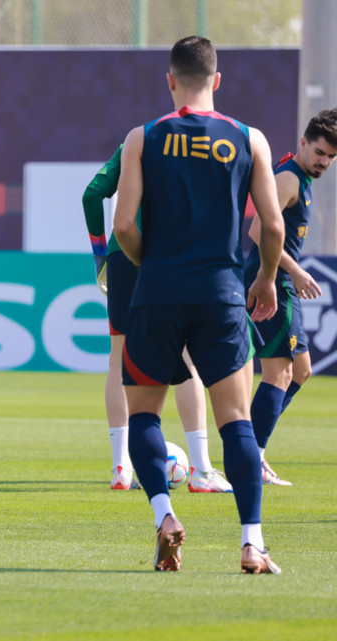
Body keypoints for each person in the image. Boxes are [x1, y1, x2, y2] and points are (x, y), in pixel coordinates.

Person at [113, 36, 286, 573]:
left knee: (144, 412)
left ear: (170, 81)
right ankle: (252, 544)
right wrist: (265, 279)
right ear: (217, 79)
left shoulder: (143, 137)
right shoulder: (248, 138)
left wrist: (152, 267)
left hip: (158, 293)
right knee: (235, 419)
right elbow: (272, 224)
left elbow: (121, 225)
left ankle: (165, 516)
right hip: (222, 295)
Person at [83, 147, 232, 493]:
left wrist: (100, 254)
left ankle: (121, 468)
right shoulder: (202, 144)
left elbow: (92, 194)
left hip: (122, 256)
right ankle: (201, 469)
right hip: (171, 258)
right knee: (185, 356)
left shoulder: (135, 142)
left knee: (119, 360)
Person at [244, 109, 337, 486]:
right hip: (272, 282)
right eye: (319, 152)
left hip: (283, 282)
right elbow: (255, 231)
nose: (324, 162)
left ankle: (250, 450)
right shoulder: (287, 178)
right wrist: (295, 271)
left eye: (331, 157)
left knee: (301, 370)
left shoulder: (301, 176)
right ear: (303, 142)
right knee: (279, 373)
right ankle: (251, 457)